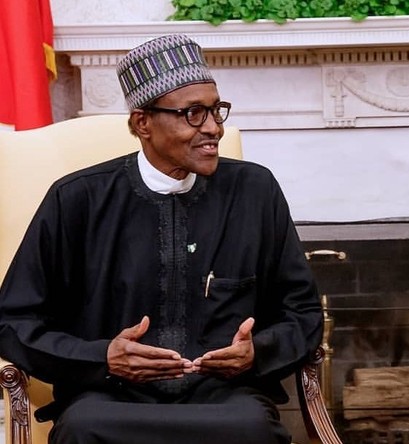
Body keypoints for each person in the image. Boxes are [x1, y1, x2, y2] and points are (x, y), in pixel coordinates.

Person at [0, 34, 322, 444]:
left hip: (225, 398)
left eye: (216, 110)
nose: (214, 129)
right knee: (84, 429)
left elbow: (303, 312)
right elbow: (14, 321)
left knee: (253, 428)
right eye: (192, 114)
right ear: (142, 124)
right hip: (108, 396)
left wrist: (258, 352)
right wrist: (104, 357)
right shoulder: (78, 198)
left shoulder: (255, 191)